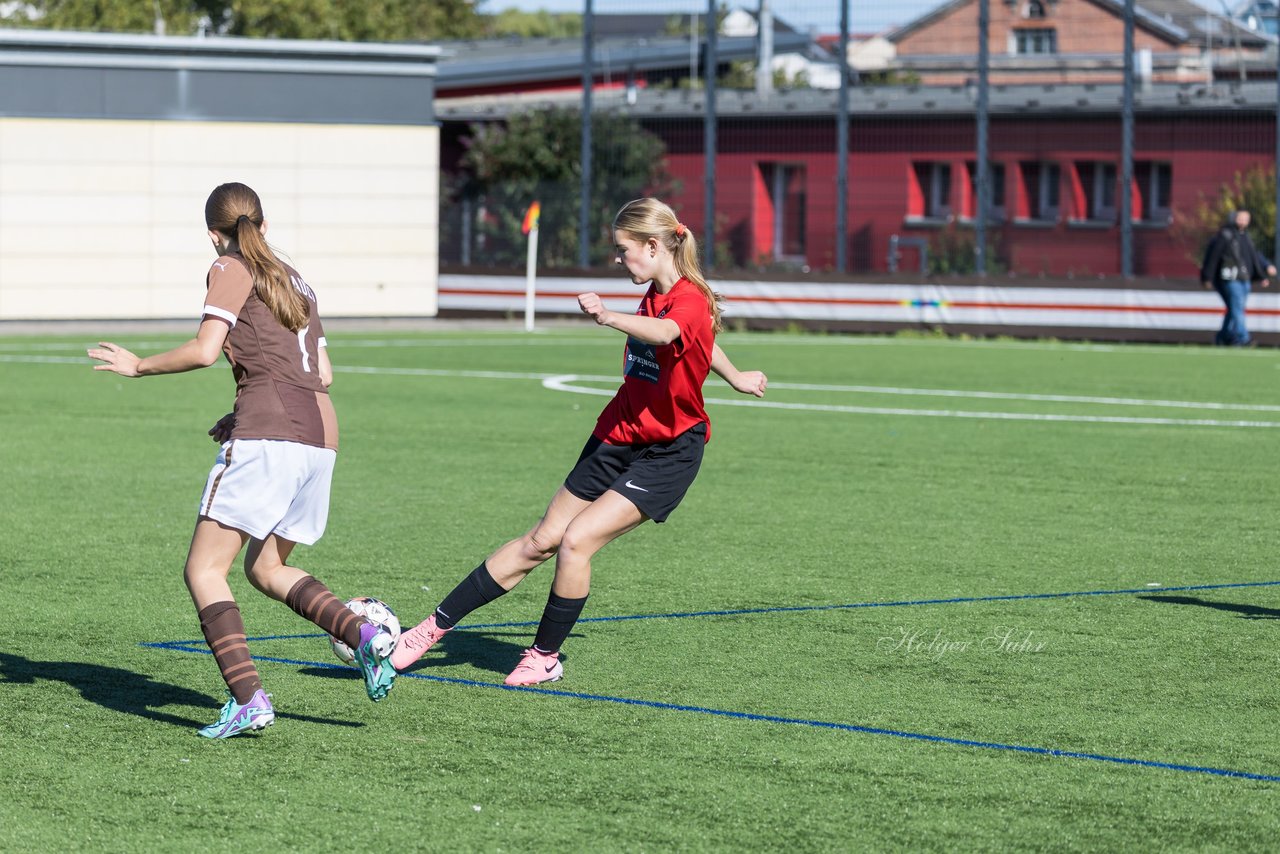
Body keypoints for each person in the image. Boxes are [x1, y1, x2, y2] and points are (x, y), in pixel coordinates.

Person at [390, 197, 768, 686]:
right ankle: (426, 631)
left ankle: (544, 656)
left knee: (576, 542)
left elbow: (671, 331)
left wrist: (609, 317)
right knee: (540, 540)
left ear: (653, 246)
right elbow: (698, 339)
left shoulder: (687, 299)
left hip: (669, 452)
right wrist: (735, 375)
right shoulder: (658, 289)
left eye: (622, 249)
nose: (617, 259)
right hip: (616, 433)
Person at [88, 182, 397, 738]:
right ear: (264, 223)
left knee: (204, 570)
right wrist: (248, 410)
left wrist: (139, 366)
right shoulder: (295, 277)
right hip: (320, 436)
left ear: (213, 233)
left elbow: (206, 350)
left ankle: (249, 699)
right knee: (266, 569)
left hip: (272, 435)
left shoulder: (231, 266)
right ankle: (364, 636)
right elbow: (321, 375)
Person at [1200, 209, 1275, 346]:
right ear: (1234, 218)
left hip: (1244, 279)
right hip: (1230, 279)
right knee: (1237, 308)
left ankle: (1223, 337)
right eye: (1240, 218)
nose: (1243, 221)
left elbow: (1253, 256)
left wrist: (1263, 271)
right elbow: (1213, 257)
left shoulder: (1245, 236)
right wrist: (1207, 277)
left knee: (1234, 308)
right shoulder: (1225, 235)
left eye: (1246, 219)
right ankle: (1243, 338)